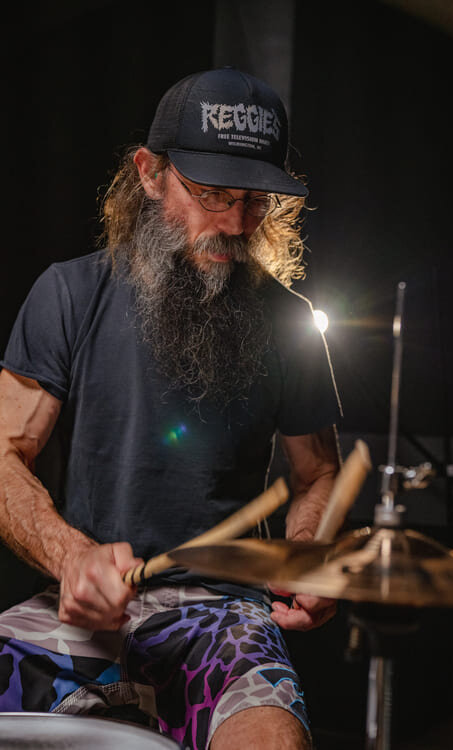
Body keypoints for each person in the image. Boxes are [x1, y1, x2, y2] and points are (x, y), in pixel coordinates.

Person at [0, 67, 342, 749]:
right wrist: (72, 557)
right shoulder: (68, 294)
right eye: (212, 194)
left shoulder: (289, 321)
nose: (236, 223)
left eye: (255, 201)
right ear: (150, 173)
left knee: (273, 742)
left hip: (221, 615)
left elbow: (319, 477)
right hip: (84, 607)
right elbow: (3, 454)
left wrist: (309, 553)